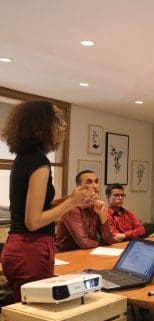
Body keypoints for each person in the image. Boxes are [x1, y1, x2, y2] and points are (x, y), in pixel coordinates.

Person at [0, 100, 94, 302]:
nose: (63, 125)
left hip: (19, 248)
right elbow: (33, 221)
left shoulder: (24, 158)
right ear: (42, 125)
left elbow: (41, 206)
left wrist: (71, 198)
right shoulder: (39, 163)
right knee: (36, 317)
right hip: (31, 250)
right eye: (58, 119)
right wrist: (70, 203)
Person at [55, 170, 115, 251]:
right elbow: (84, 243)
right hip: (66, 255)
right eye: (89, 182)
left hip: (88, 253)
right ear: (78, 188)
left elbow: (109, 240)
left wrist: (103, 216)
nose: (95, 186)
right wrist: (102, 245)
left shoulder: (97, 206)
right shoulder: (72, 208)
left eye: (96, 182)